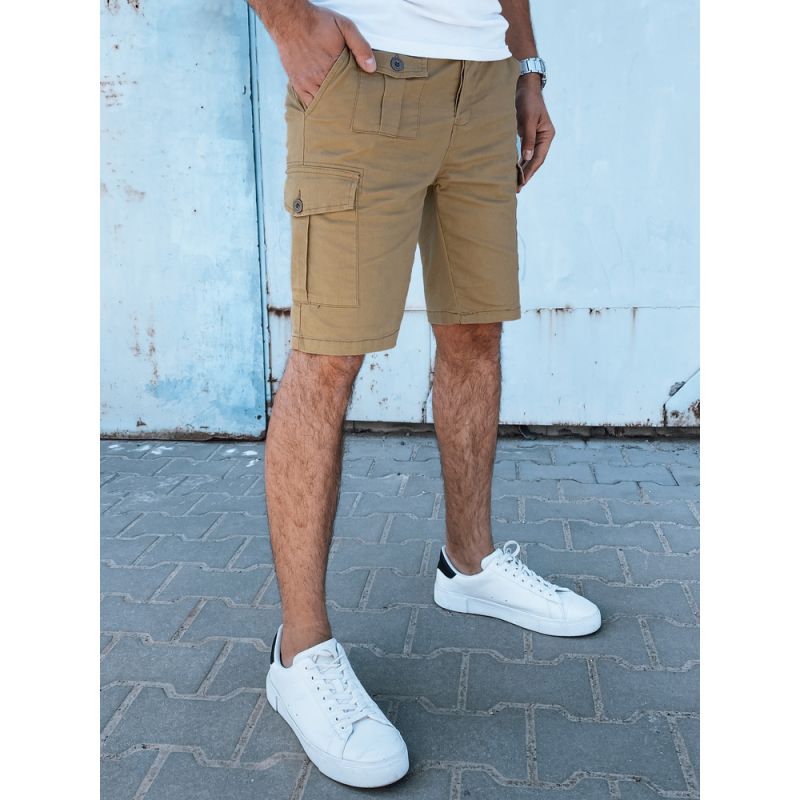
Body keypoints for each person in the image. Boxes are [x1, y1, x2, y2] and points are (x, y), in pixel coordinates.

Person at [247, 0, 602, 788]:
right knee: (328, 358)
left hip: (484, 85)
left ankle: (469, 566)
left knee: (475, 333)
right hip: (367, 73)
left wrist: (527, 66)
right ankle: (299, 653)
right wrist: (288, 23)